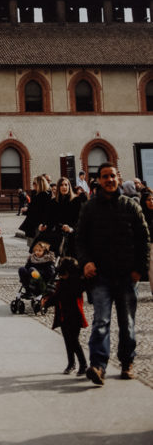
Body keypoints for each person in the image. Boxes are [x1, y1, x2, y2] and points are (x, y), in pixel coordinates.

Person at [76, 162, 150, 386]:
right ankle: (98, 366)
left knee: (127, 323)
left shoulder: (131, 206)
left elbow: (143, 240)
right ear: (98, 180)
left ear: (118, 178)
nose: (109, 180)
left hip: (128, 275)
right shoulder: (90, 208)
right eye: (105, 177)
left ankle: (127, 362)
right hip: (101, 276)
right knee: (101, 321)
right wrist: (86, 262)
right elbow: (79, 239)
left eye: (112, 176)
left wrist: (140, 269)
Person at [41, 255, 88, 376]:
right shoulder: (63, 282)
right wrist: (46, 304)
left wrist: (47, 302)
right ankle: (71, 363)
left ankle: (83, 364)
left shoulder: (76, 283)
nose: (61, 276)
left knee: (74, 341)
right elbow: (56, 297)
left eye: (63, 273)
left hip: (74, 316)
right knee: (68, 341)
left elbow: (58, 296)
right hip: (63, 315)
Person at [40, 176, 83, 257]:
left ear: (69, 186)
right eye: (62, 185)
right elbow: (49, 217)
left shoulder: (76, 200)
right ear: (58, 187)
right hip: (57, 234)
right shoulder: (53, 202)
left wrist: (71, 228)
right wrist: (44, 225)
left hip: (72, 234)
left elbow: (80, 219)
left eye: (66, 185)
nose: (64, 187)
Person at [18, 175, 52, 242]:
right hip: (33, 224)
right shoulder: (36, 194)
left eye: (34, 183)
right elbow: (32, 208)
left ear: (40, 184)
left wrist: (27, 210)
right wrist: (26, 209)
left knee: (37, 245)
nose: (33, 185)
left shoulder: (44, 195)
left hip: (38, 224)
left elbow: (44, 211)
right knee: (33, 245)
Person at [140, 189, 153, 291]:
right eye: (149, 200)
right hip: (149, 246)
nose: (151, 201)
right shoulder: (141, 215)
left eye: (152, 199)